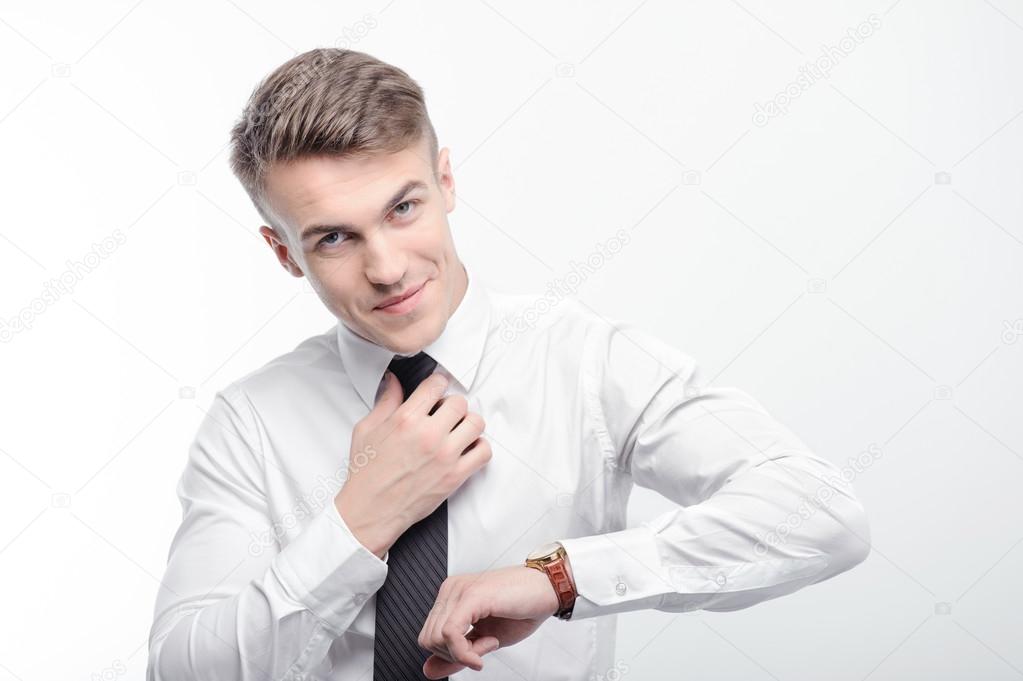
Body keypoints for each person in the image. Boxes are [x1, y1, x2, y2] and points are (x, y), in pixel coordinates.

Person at [146, 48, 871, 681]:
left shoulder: (584, 362)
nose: (388, 267)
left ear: (446, 180)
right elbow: (182, 669)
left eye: (403, 208)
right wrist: (360, 517)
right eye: (335, 237)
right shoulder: (250, 420)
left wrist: (560, 577)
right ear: (284, 254)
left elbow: (822, 516)